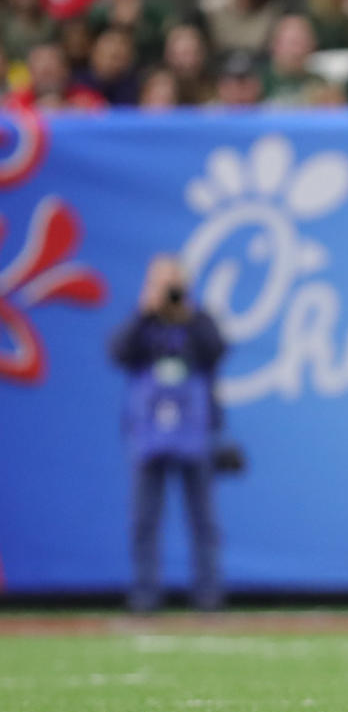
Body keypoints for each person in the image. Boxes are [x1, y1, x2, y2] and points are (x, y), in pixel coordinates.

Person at [109, 255, 226, 612]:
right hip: (149, 435)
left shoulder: (197, 319)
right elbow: (117, 352)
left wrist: (188, 313)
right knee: (145, 519)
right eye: (162, 282)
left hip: (193, 433)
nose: (169, 291)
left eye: (173, 282)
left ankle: (208, 594)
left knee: (202, 519)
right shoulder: (143, 322)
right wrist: (145, 311)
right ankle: (146, 594)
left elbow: (217, 350)